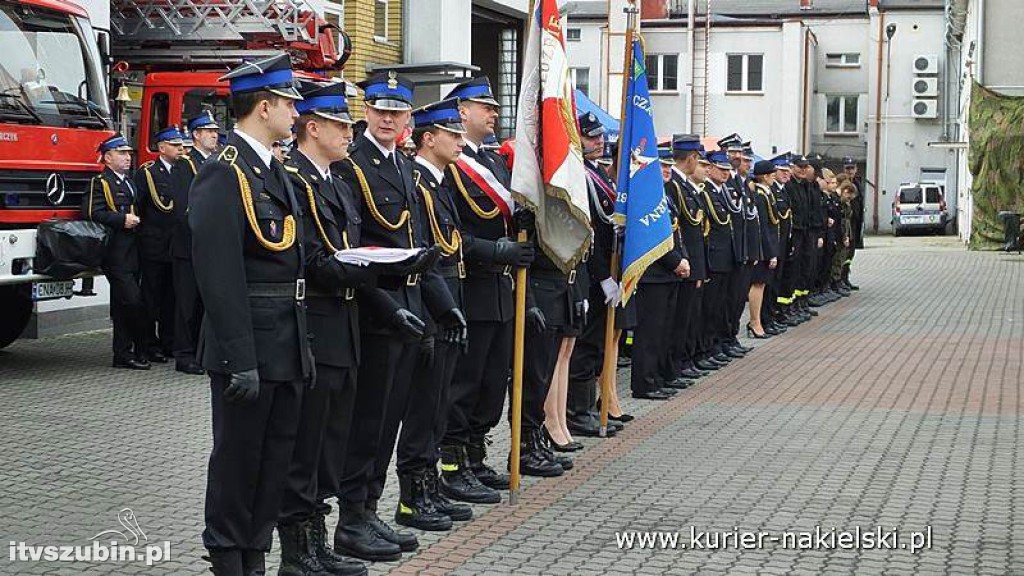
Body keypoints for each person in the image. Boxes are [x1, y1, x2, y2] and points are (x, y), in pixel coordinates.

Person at [188, 53, 309, 576]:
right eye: (288, 103)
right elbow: (218, 274)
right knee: (238, 459)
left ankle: (255, 551)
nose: (294, 113)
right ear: (264, 107)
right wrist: (239, 357)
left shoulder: (270, 169)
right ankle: (228, 557)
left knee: (274, 459)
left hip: (285, 339)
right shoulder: (224, 172)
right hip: (251, 344)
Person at [331, 70, 451, 561]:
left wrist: (443, 305)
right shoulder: (350, 163)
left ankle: (370, 508)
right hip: (372, 312)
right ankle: (351, 518)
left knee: (389, 422)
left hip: (410, 309)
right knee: (366, 423)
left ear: (407, 119)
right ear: (365, 113)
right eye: (380, 109)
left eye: (396, 111)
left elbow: (418, 243)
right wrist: (391, 307)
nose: (387, 118)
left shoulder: (403, 166)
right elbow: (353, 251)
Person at [276, 79, 378, 576]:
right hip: (316, 322)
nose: (348, 134)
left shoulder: (336, 180)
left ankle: (318, 541)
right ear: (312, 127)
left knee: (330, 443)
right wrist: (376, 269)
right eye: (340, 125)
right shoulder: (294, 177)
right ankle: (298, 552)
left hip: (346, 323)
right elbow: (314, 258)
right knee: (305, 443)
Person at [439, 76, 535, 503]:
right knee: (465, 383)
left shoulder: (495, 163)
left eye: (494, 107)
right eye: (485, 107)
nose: (493, 114)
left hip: (501, 292)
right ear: (461, 112)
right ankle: (453, 465)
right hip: (472, 287)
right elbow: (450, 232)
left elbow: (508, 218)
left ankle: (476, 457)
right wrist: (496, 251)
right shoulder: (451, 166)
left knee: (492, 383)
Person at [408, 97, 476, 527]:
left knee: (437, 407)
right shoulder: (417, 181)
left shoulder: (439, 182)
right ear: (429, 138)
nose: (460, 142)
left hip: (450, 302)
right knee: (423, 408)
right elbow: (429, 253)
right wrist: (444, 308)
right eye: (453, 135)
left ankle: (430, 486)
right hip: (433, 307)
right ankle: (413, 496)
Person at [567, 120, 632, 437]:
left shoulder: (597, 174)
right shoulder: (579, 174)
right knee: (584, 347)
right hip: (592, 274)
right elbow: (588, 231)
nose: (598, 142)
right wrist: (604, 276)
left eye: (600, 138)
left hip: (605, 270)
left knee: (596, 345)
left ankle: (590, 407)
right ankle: (577, 412)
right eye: (590, 137)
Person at [630, 142, 689, 401]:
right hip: (654, 275)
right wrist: (676, 261)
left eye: (668, 166)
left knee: (663, 330)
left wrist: (683, 258)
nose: (666, 170)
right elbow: (654, 239)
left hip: (669, 274)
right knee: (649, 333)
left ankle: (658, 377)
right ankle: (644, 383)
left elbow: (676, 232)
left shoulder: (665, 196)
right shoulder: (647, 198)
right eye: (661, 166)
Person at [85, 134, 148, 370]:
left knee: (124, 304)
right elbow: (92, 212)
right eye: (121, 154)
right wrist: (122, 219)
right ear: (108, 157)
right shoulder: (100, 182)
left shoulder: (130, 181)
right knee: (132, 300)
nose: (127, 158)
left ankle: (124, 353)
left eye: (128, 154)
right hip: (116, 250)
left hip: (134, 249)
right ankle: (132, 348)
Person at [170, 111, 221, 375]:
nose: (214, 135)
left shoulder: (214, 162)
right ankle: (184, 354)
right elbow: (182, 206)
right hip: (188, 245)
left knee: (204, 302)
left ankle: (201, 353)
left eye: (215, 131)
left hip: (207, 246)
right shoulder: (185, 165)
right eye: (208, 131)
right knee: (187, 303)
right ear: (196, 135)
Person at [135, 126, 184, 364]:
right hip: (154, 245)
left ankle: (168, 342)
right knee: (151, 298)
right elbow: (140, 206)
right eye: (176, 146)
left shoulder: (184, 171)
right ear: (162, 148)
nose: (181, 149)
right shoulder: (148, 173)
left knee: (171, 298)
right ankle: (147, 344)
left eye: (182, 145)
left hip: (175, 246)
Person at [664, 134, 709, 388]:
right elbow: (681, 228)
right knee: (678, 319)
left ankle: (680, 363)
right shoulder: (674, 186)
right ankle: (674, 365)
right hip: (681, 261)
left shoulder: (686, 187)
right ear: (691, 158)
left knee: (686, 318)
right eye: (697, 159)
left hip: (690, 261)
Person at [699, 150, 739, 367]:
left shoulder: (723, 191)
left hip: (726, 256)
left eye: (727, 170)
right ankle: (708, 347)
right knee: (710, 307)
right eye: (721, 169)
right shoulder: (706, 192)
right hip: (714, 257)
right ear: (711, 168)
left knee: (721, 305)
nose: (725, 174)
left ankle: (716, 344)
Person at [747, 160, 780, 338]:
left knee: (763, 285)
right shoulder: (760, 196)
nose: (774, 177)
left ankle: (759, 320)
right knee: (758, 285)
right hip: (762, 249)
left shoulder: (767, 194)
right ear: (765, 176)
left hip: (768, 246)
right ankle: (754, 321)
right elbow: (763, 227)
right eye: (772, 175)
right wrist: (770, 253)